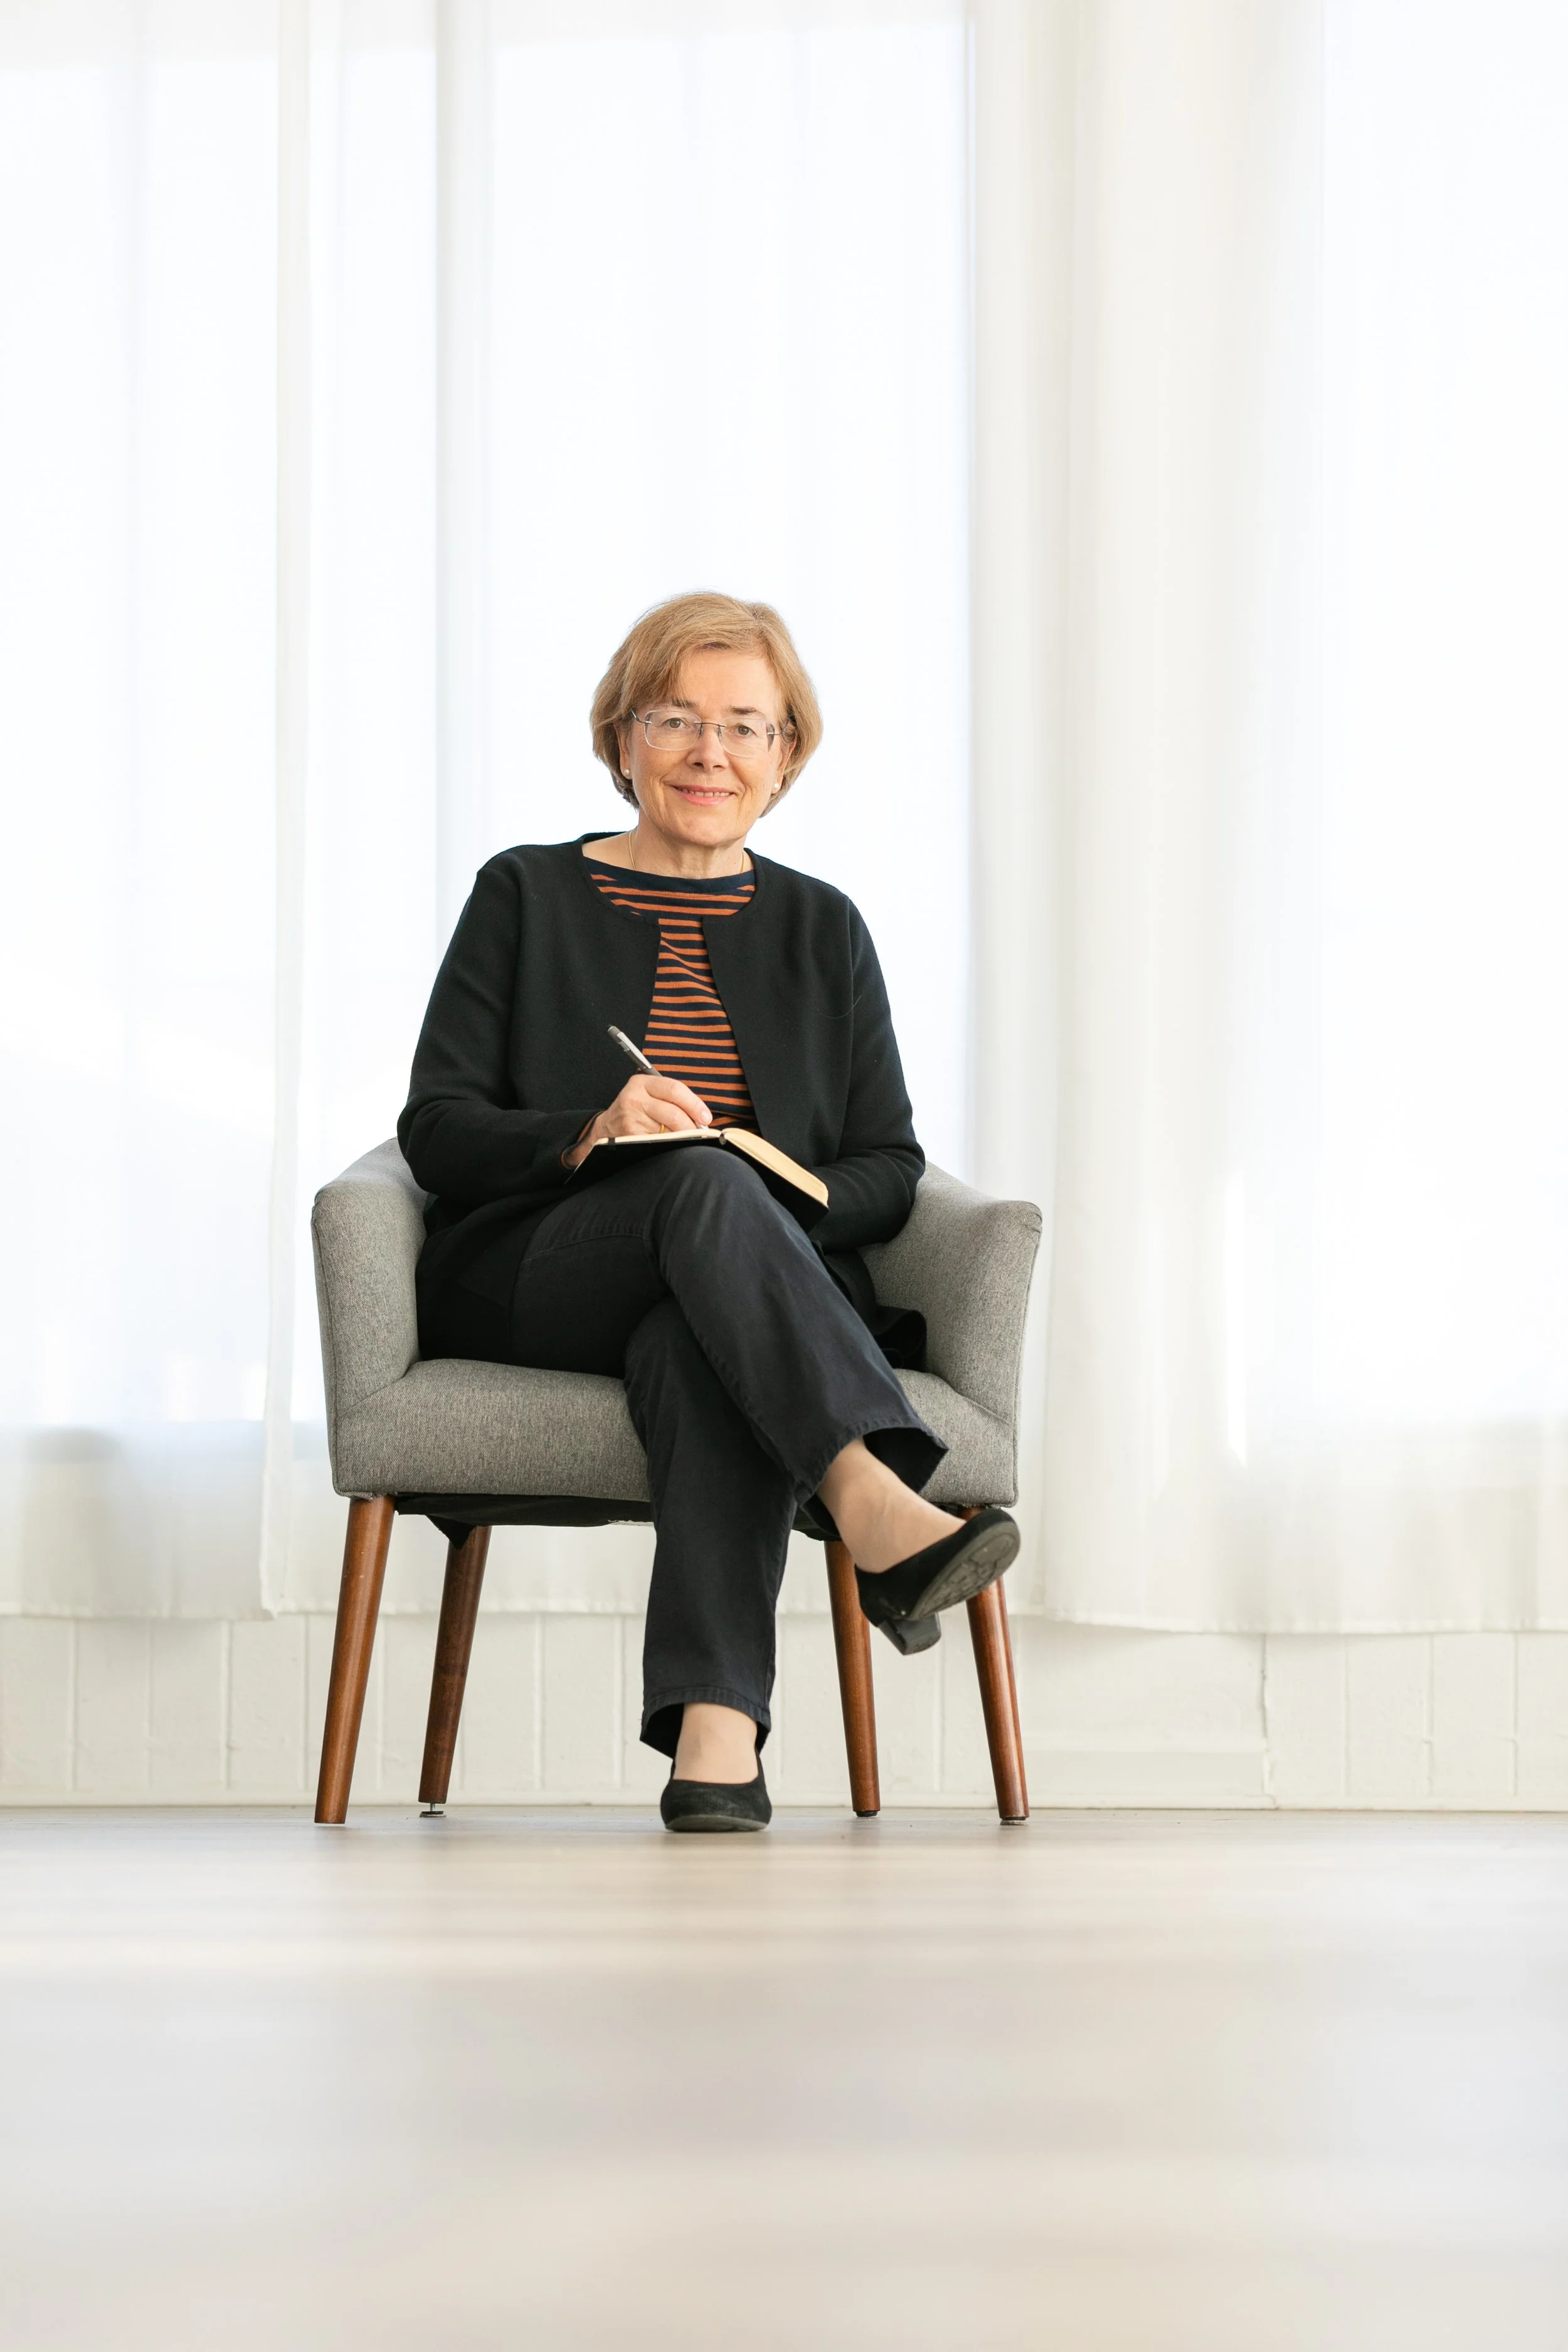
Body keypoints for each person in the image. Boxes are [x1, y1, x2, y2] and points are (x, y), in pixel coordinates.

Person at [400, 592, 1017, 1830]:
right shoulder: (521, 893)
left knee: (704, 1326)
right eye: (675, 719)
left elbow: (889, 1166)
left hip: (738, 1289)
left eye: (744, 725)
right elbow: (436, 1128)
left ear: (787, 753)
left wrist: (795, 1187)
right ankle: (862, 1489)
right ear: (622, 736)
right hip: (542, 1271)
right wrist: (591, 1129)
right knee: (692, 1176)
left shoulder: (820, 926)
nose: (709, 753)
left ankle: (714, 1744)